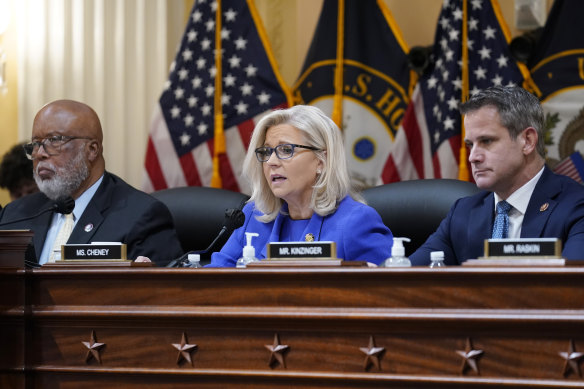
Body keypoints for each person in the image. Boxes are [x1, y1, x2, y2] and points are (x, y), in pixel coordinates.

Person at [410, 86, 584, 265]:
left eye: (486, 141)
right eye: (470, 145)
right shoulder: (462, 213)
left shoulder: (577, 207)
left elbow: (572, 287)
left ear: (528, 141)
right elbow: (404, 279)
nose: (473, 157)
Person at [0, 99, 183, 266]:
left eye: (54, 141)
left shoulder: (141, 216)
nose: (39, 153)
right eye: (35, 144)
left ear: (92, 150)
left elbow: (160, 295)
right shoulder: (15, 215)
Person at [209, 105, 393, 267]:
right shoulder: (253, 217)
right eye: (266, 151)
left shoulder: (356, 222)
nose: (271, 161)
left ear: (322, 161)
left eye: (286, 150)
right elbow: (211, 281)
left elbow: (390, 296)